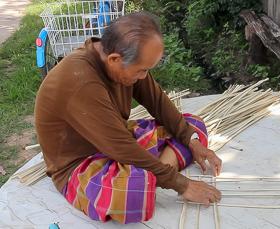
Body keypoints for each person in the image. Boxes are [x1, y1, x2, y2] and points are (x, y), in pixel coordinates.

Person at [34, 11, 222, 224]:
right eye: (141, 71)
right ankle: (151, 176)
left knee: (192, 127)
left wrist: (192, 141)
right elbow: (121, 148)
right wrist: (181, 184)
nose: (144, 76)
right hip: (80, 162)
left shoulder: (122, 59)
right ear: (114, 59)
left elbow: (158, 102)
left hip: (117, 138)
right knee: (130, 193)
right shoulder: (81, 80)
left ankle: (151, 175)